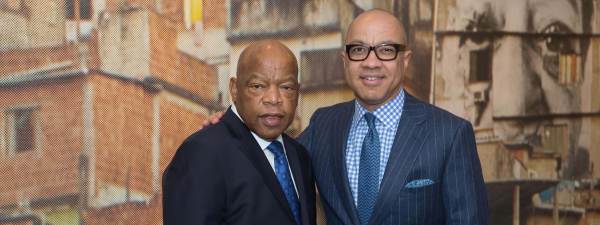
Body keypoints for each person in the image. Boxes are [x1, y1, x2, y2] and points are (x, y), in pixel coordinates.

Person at [202, 9, 489, 225]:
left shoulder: (449, 135)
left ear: (406, 60)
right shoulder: (324, 125)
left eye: (387, 50)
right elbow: (271, 162)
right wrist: (232, 130)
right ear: (345, 61)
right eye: (359, 50)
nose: (371, 62)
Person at [163, 40, 316, 225]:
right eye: (258, 86)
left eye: (286, 87)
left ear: (298, 93)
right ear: (234, 90)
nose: (274, 99)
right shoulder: (202, 153)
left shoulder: (300, 157)